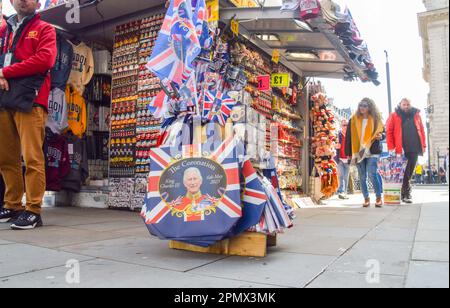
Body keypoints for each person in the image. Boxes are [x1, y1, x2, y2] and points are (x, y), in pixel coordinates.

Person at [0, 0, 57, 229]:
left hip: (32, 99)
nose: (24, 0)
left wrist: (5, 72)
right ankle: (12, 204)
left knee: (32, 157)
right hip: (5, 98)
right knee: (6, 157)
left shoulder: (45, 28)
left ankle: (33, 209)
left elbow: (45, 59)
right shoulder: (6, 30)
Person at [345, 98, 385, 208]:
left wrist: (381, 136)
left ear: (370, 107)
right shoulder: (353, 119)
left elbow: (383, 132)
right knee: (362, 176)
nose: (362, 107)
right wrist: (348, 152)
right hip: (358, 150)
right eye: (360, 105)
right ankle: (366, 198)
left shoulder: (377, 119)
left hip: (372, 150)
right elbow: (348, 137)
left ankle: (378, 198)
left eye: (365, 105)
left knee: (372, 173)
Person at [386, 98, 427, 203]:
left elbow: (421, 130)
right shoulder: (394, 115)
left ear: (410, 105)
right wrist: (391, 147)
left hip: (414, 147)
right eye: (404, 104)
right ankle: (406, 194)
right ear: (400, 105)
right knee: (404, 171)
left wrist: (424, 145)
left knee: (410, 171)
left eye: (408, 104)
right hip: (401, 148)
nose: (406, 106)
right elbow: (389, 131)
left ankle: (404, 193)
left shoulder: (416, 114)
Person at [335, 119, 351, 199]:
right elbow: (333, 144)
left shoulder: (351, 135)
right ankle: (341, 191)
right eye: (344, 125)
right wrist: (335, 145)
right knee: (340, 175)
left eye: (347, 125)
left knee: (346, 176)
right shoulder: (338, 134)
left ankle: (345, 192)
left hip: (348, 159)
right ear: (341, 126)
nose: (345, 127)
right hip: (340, 158)